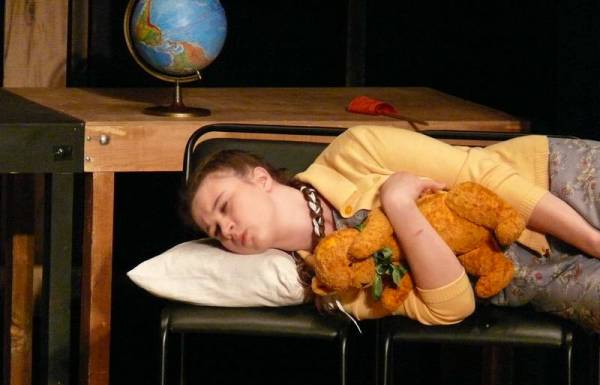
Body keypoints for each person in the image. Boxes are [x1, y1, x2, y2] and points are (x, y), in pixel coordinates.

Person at [183, 125, 600, 331]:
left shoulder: (355, 150)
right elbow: (453, 307)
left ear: (259, 179)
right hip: (533, 277)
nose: (227, 228)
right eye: (215, 230)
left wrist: (591, 239)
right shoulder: (335, 286)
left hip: (552, 185)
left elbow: (484, 175)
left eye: (225, 206)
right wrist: (400, 207)